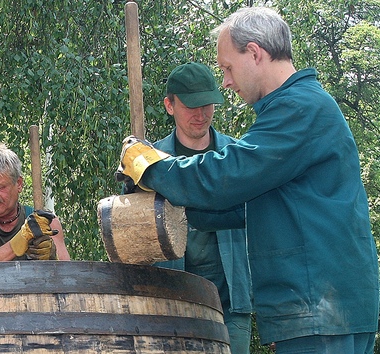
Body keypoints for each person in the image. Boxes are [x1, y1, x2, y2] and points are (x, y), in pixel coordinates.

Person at [118, 7, 379, 353]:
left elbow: (228, 176)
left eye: (227, 67)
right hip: (321, 308)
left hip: (320, 307)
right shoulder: (298, 108)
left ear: (255, 53)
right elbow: (246, 206)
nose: (226, 81)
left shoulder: (299, 109)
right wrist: (167, 214)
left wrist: (150, 167)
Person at [149, 62, 252, 354]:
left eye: (208, 104)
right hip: (170, 306)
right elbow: (130, 241)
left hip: (231, 305)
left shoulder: (237, 158)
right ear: (169, 105)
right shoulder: (147, 166)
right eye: (191, 105)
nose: (201, 114)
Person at [0, 143, 70, 262]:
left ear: (19, 184)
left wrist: (52, 257)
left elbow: (67, 273)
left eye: (0, 187)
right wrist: (22, 239)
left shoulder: (45, 221)